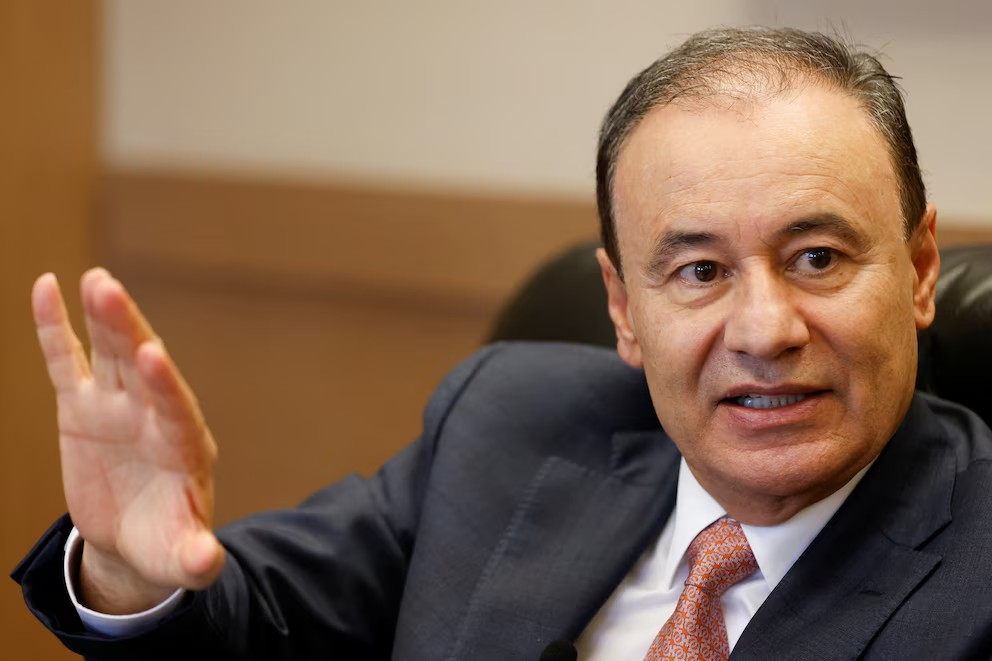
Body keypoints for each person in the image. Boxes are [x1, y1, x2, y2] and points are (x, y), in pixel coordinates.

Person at [13, 26, 992, 660]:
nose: (766, 330)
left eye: (817, 258)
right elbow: (252, 622)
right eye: (699, 271)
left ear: (917, 271)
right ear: (622, 308)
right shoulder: (514, 420)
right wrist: (130, 572)